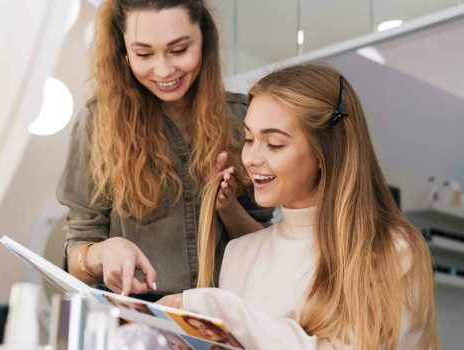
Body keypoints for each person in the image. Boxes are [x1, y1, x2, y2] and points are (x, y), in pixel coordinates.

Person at [158, 64, 440, 349]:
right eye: (249, 139)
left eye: (274, 144)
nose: (252, 158)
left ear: (325, 152)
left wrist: (221, 310)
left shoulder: (391, 251)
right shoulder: (240, 252)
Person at [57, 0, 273, 302]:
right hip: (136, 326)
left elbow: (268, 247)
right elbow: (76, 255)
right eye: (144, 54)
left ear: (205, 41)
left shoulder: (243, 119)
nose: (163, 70)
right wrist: (102, 254)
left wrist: (227, 207)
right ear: (123, 53)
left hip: (223, 317)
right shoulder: (97, 123)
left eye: (179, 50)